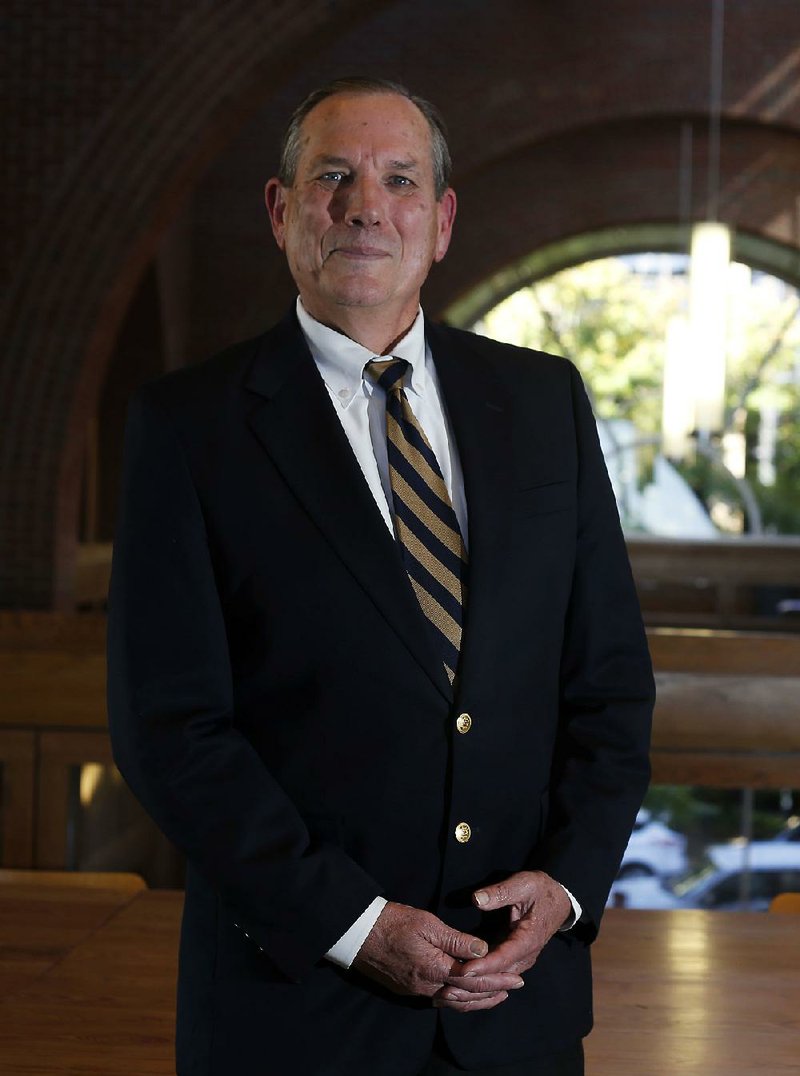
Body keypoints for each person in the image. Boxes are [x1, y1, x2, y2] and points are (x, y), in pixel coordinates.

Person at [107, 77, 654, 1076]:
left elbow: (609, 685)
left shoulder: (543, 403)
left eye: (400, 179)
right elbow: (170, 728)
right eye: (333, 177)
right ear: (282, 212)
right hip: (294, 1010)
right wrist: (354, 923)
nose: (366, 205)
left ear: (440, 222)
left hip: (514, 1007)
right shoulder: (188, 427)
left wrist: (570, 887)